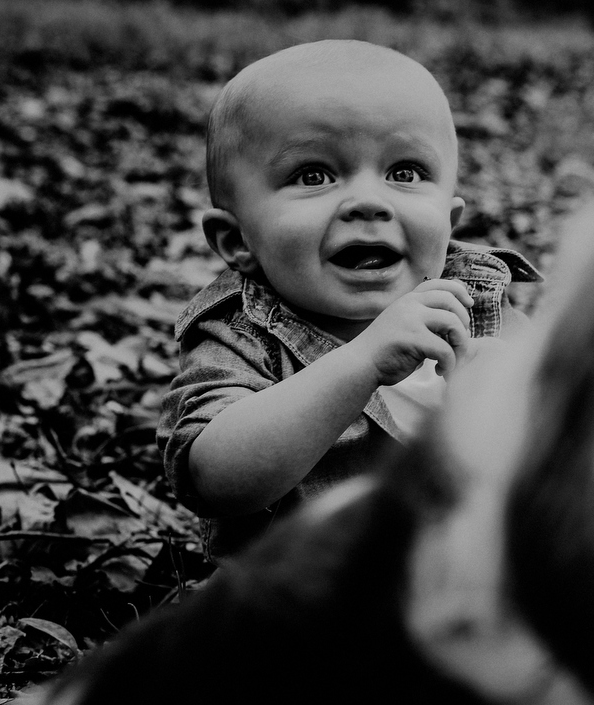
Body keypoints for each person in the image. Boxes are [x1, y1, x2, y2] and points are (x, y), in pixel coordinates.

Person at [157, 39, 538, 556]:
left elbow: (587, 435)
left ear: (449, 222)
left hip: (468, 589)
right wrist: (360, 363)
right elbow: (213, 481)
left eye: (404, 173)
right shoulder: (240, 335)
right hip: (316, 608)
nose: (367, 202)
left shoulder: (476, 299)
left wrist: (513, 395)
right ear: (238, 241)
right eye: (313, 176)